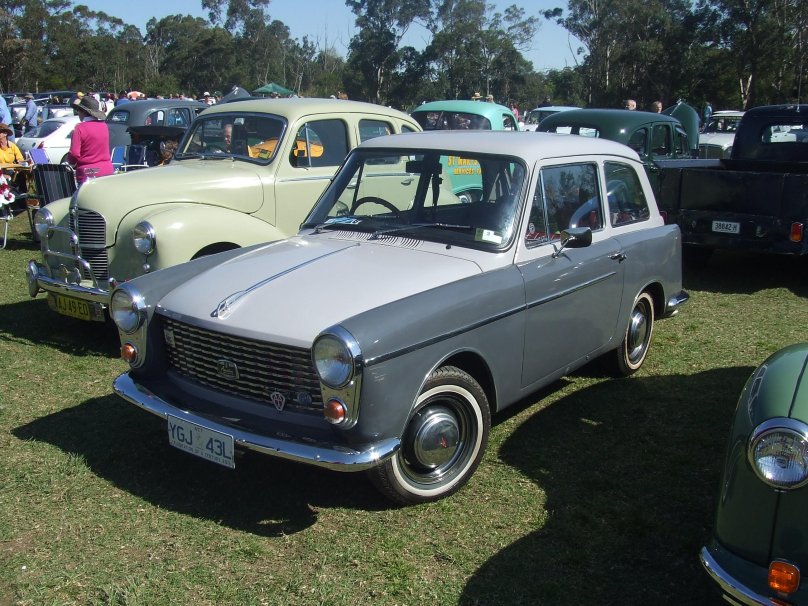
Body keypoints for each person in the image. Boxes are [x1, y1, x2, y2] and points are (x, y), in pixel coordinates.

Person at [67, 96, 114, 184]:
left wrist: (71, 163)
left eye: (78, 110)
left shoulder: (79, 128)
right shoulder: (104, 126)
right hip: (107, 170)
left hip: (88, 173)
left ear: (83, 111)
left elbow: (74, 154)